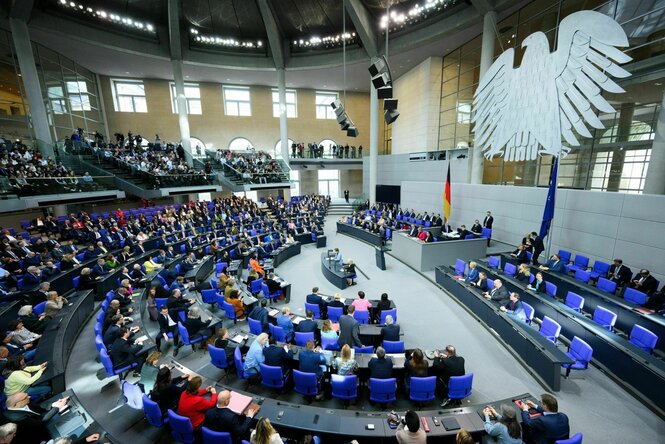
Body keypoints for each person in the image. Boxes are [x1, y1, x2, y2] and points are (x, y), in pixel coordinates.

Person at [3, 393, 69, 443]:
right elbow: (40, 423)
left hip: (42, 420)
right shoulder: (18, 418)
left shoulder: (21, 405)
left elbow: (38, 407)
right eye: (25, 397)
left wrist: (53, 404)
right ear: (16, 404)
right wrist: (57, 408)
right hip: (40, 433)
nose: (29, 397)